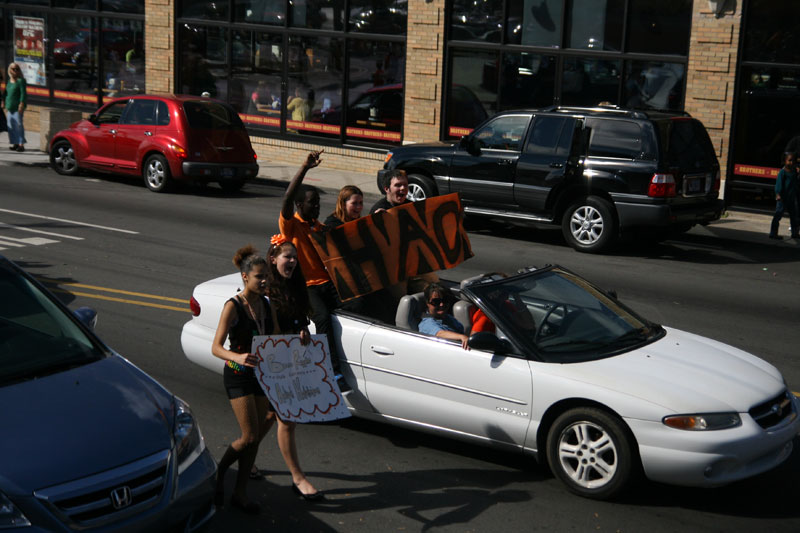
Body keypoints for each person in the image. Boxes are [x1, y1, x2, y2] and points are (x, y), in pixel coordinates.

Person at [279, 151, 355, 392]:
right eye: (312, 202)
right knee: (321, 317)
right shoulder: (291, 225)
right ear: (300, 205)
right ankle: (332, 371)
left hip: (328, 283)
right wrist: (305, 167)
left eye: (319, 202)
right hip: (308, 287)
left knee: (358, 307)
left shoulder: (320, 228)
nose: (317, 206)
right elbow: (287, 197)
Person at [211, 245, 276, 514]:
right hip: (238, 375)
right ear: (244, 277)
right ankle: (218, 472)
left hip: (259, 375)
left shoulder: (266, 304)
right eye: (259, 276)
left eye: (266, 277)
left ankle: (240, 493)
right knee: (249, 435)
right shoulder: (233, 306)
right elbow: (216, 347)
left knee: (256, 437)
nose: (264, 281)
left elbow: (277, 337)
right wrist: (236, 357)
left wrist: (300, 338)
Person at [263, 235, 324, 501]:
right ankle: (298, 479)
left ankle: (239, 457)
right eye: (287, 257)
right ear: (273, 259)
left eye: (295, 258)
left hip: (290, 361)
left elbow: (300, 317)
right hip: (270, 363)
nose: (292, 262)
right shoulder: (264, 291)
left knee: (268, 419)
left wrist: (302, 329)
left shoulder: (295, 286)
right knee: (287, 419)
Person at [418, 282, 470, 350]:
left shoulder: (449, 318)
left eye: (445, 300)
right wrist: (462, 337)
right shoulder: (427, 323)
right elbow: (439, 333)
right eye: (436, 301)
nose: (441, 304)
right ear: (427, 303)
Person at [769, 152, 799, 240]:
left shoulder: (794, 172)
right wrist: (778, 194)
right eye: (789, 160)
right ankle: (773, 233)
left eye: (793, 160)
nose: (791, 162)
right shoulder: (782, 172)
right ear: (785, 161)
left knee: (794, 216)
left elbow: (796, 184)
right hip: (782, 198)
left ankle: (795, 233)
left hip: (791, 198)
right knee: (778, 215)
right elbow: (778, 184)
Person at [5, 63, 27, 152]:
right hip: (9, 107)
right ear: (9, 70)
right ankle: (15, 143)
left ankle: (21, 145)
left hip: (18, 108)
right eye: (13, 69)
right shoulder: (9, 81)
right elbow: (6, 94)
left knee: (19, 126)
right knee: (11, 126)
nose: (15, 71)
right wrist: (4, 102)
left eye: (17, 69)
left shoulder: (21, 81)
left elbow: (23, 94)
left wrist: (21, 104)